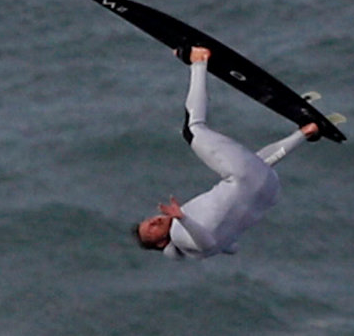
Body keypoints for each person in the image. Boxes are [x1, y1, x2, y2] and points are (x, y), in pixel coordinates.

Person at [135, 47, 321, 257]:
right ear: (161, 243)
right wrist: (182, 217)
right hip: (244, 180)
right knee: (192, 129)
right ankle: (199, 60)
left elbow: (230, 247)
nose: (154, 220)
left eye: (149, 220)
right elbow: (206, 243)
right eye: (152, 228)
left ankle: (306, 133)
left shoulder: (215, 245)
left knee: (254, 164)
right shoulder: (181, 235)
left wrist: (217, 243)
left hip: (268, 189)